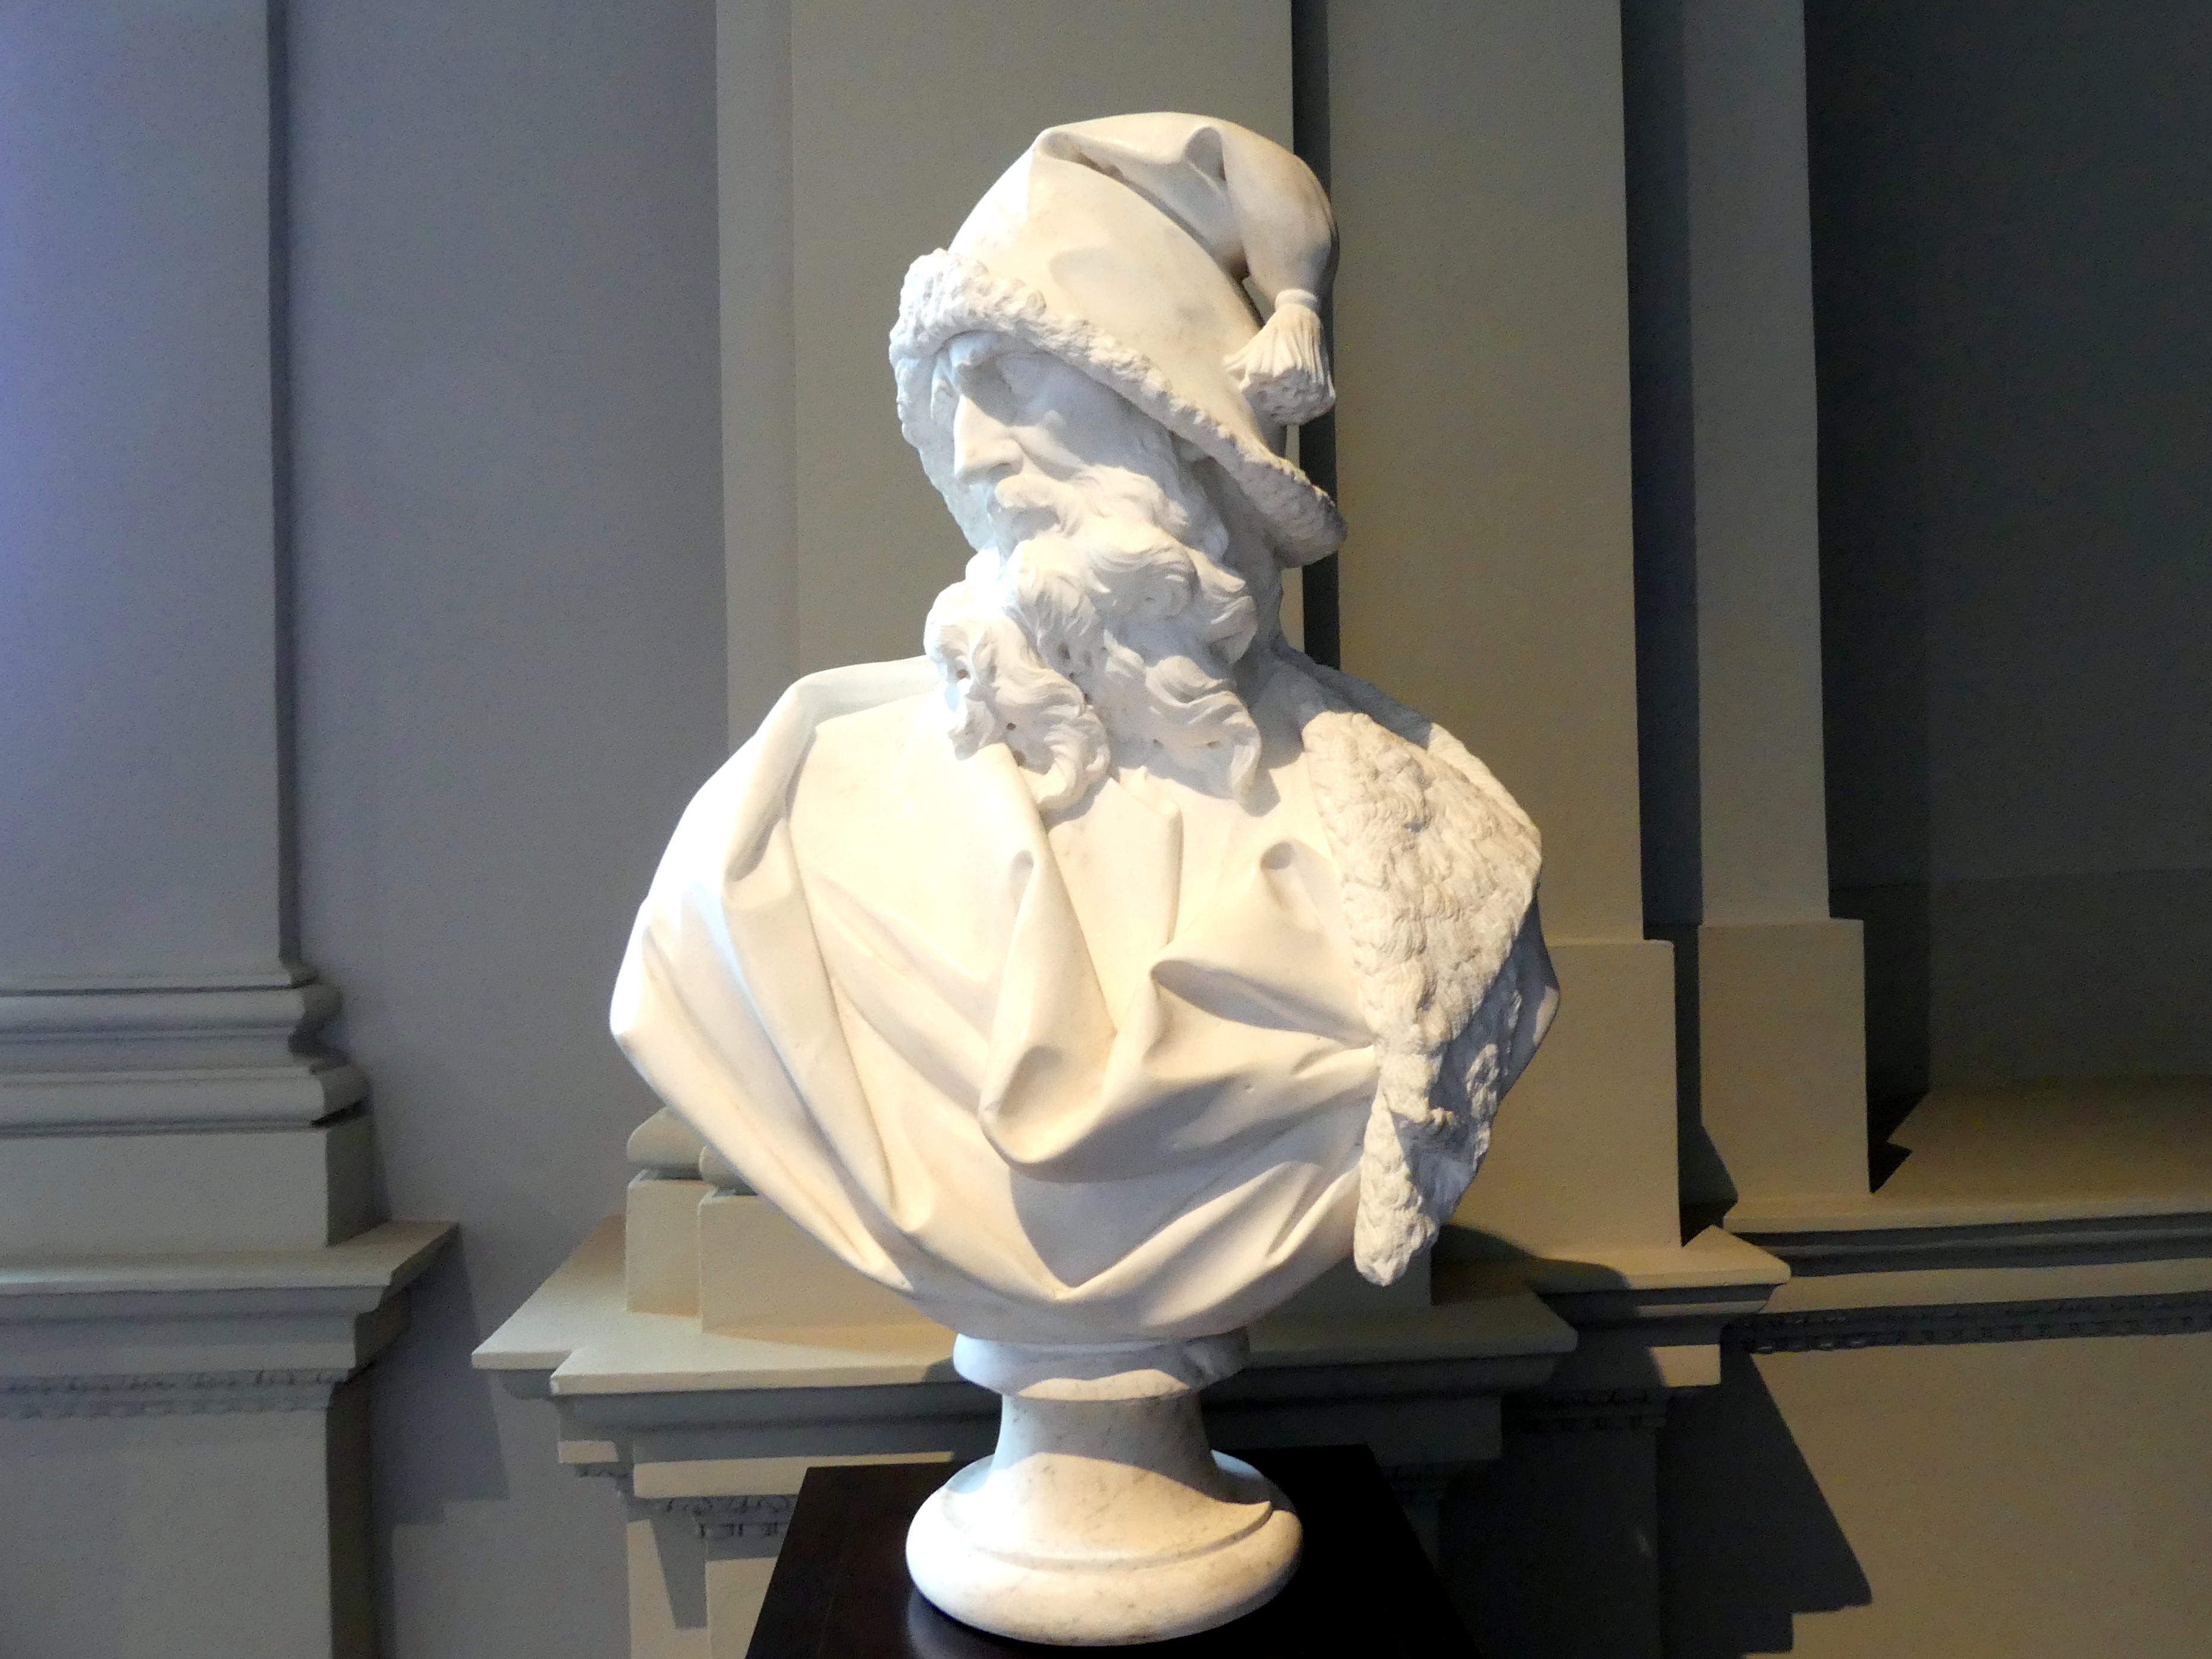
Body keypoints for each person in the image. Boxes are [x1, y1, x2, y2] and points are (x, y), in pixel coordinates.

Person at [612, 114, 1555, 1345]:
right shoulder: (783, 822)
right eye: (951, 397)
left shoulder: (1423, 847)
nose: (967, 449)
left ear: (1165, 416)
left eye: (1006, 383)